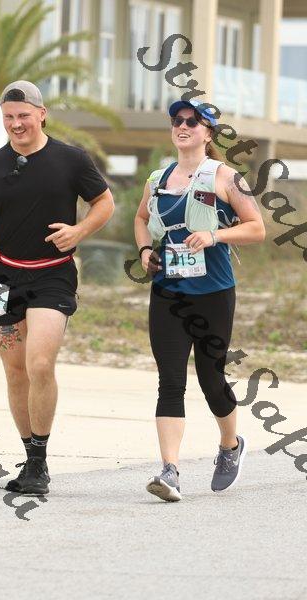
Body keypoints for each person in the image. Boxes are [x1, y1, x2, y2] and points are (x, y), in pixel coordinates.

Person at [0, 80, 114, 495]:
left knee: (40, 364)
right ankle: (30, 458)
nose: (16, 124)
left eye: (24, 115)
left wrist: (79, 231)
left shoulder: (71, 159)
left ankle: (40, 461)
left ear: (42, 114)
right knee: (14, 372)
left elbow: (104, 203)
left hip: (53, 275)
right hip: (2, 277)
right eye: (9, 117)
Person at [134, 99, 265, 502]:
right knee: (170, 380)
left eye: (193, 121)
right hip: (168, 293)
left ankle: (230, 445)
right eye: (178, 120)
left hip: (213, 293)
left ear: (208, 133)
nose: (184, 126)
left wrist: (215, 235)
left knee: (211, 379)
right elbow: (141, 219)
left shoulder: (226, 177)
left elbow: (257, 227)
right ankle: (169, 471)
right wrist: (144, 250)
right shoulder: (158, 178)